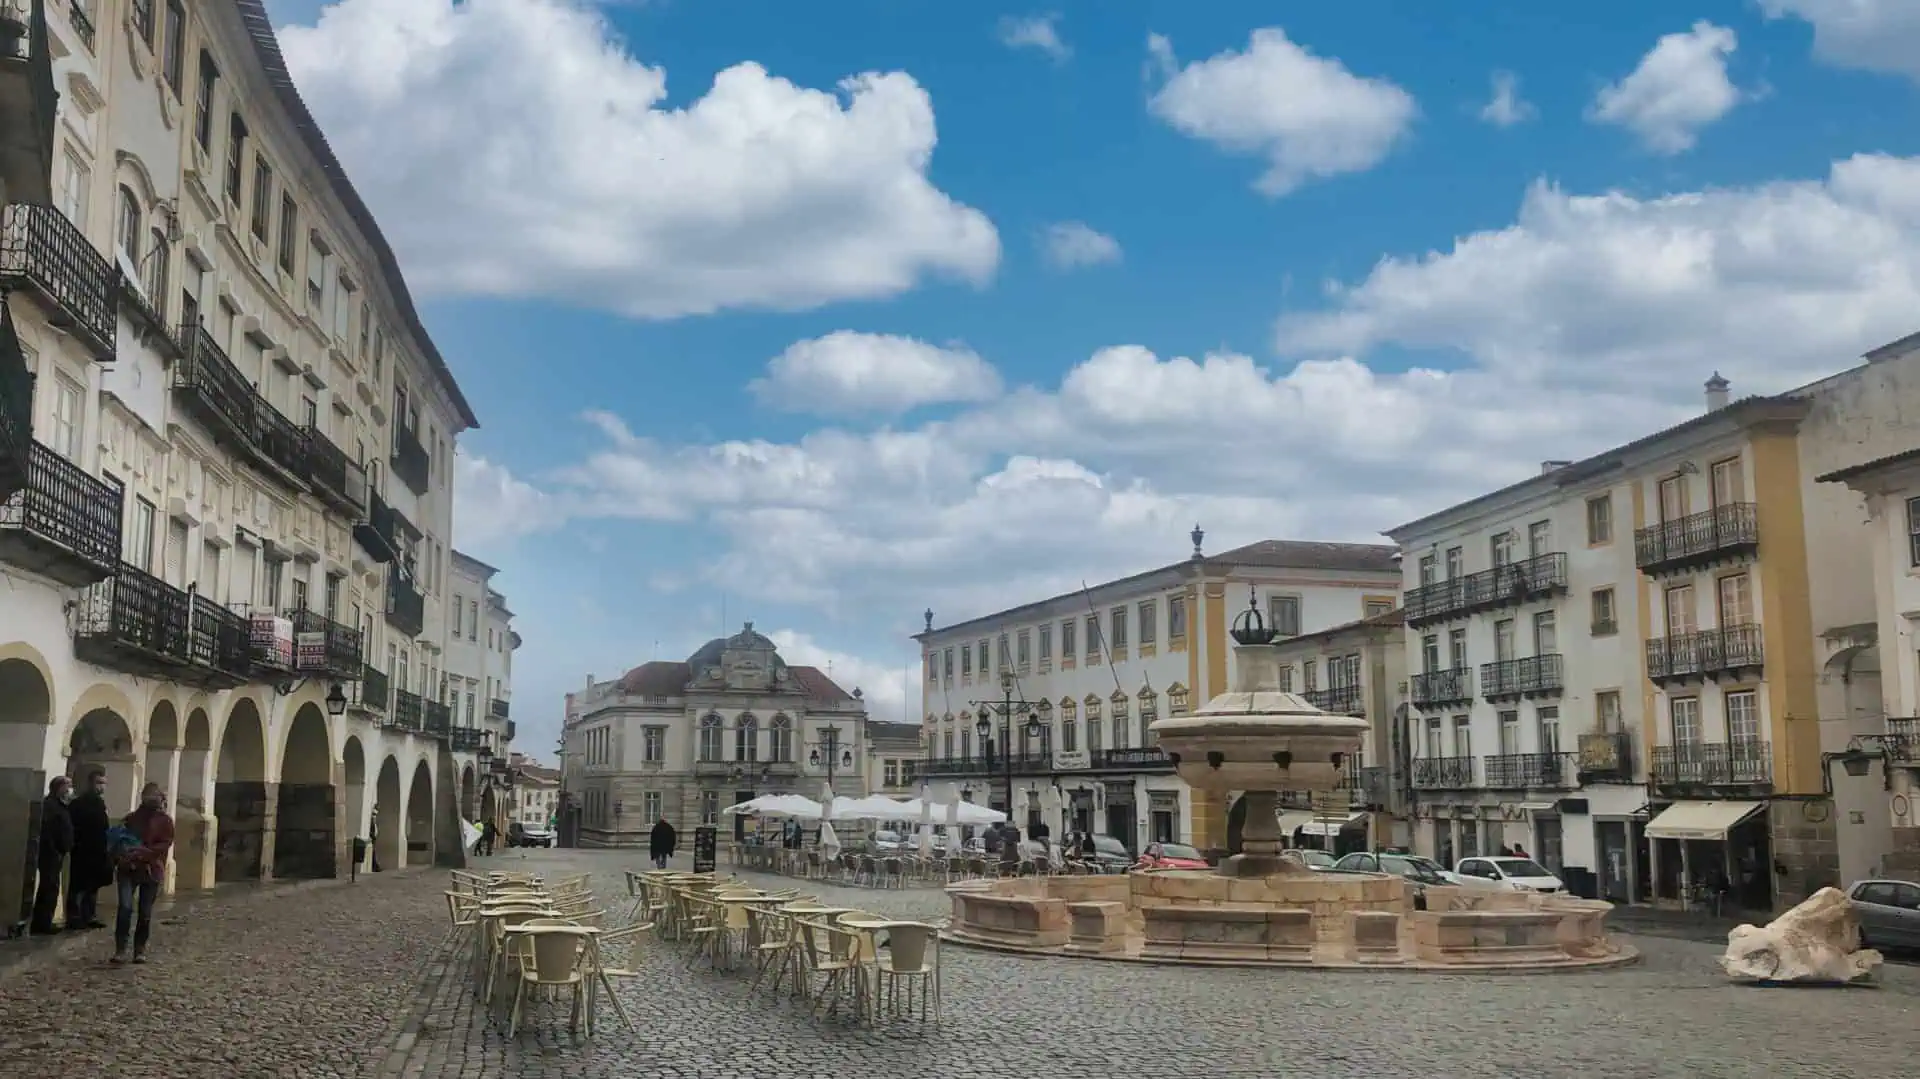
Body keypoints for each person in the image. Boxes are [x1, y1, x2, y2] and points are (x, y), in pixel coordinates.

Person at [112, 783, 174, 964]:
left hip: (151, 870)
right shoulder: (131, 819)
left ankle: (139, 949)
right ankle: (120, 948)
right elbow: (119, 840)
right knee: (125, 908)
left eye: (155, 796)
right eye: (149, 795)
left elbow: (164, 844)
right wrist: (123, 854)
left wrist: (142, 852)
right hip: (128, 869)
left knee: (145, 912)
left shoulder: (165, 821)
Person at [67, 767, 111, 932]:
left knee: (93, 886)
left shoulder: (100, 804)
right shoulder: (79, 803)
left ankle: (89, 915)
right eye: (99, 783)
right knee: (78, 886)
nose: (101, 787)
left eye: (104, 783)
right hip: (82, 850)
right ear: (91, 783)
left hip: (98, 850)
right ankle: (74, 917)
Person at [30, 777, 73, 936]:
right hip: (50, 854)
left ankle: (44, 921)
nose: (70, 789)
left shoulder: (61, 806)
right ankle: (42, 923)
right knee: (49, 887)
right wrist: (55, 850)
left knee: (51, 887)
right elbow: (49, 832)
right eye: (68, 786)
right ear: (59, 787)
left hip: (58, 853)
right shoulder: (50, 806)